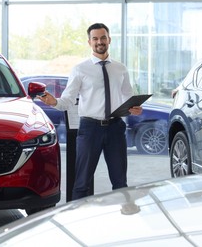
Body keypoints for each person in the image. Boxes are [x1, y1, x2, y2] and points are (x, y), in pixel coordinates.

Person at [38, 23, 142, 200]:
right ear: (89, 42)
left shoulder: (120, 68)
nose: (99, 42)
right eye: (95, 39)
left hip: (116, 127)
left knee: (120, 181)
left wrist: (134, 108)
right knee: (82, 182)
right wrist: (53, 102)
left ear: (109, 40)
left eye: (103, 38)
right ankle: (76, 222)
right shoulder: (80, 69)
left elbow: (127, 96)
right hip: (90, 129)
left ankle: (123, 221)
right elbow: (68, 100)